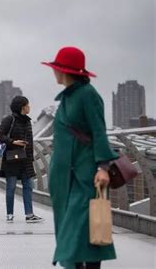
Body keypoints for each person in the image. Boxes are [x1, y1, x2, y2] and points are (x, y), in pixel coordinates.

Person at [42, 46, 117, 269]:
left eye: (55, 68)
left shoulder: (87, 95)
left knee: (85, 229)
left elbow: (98, 131)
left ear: (64, 71)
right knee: (69, 229)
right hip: (64, 180)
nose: (53, 72)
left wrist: (103, 166)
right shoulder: (68, 97)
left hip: (85, 176)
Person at [0, 96, 43, 224]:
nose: (29, 107)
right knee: (10, 188)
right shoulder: (9, 119)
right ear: (22, 107)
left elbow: (31, 142)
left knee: (28, 187)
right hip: (12, 159)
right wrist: (13, 142)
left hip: (26, 160)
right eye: (28, 105)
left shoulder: (27, 121)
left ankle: (29, 214)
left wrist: (31, 158)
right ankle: (9, 215)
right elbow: (0, 136)